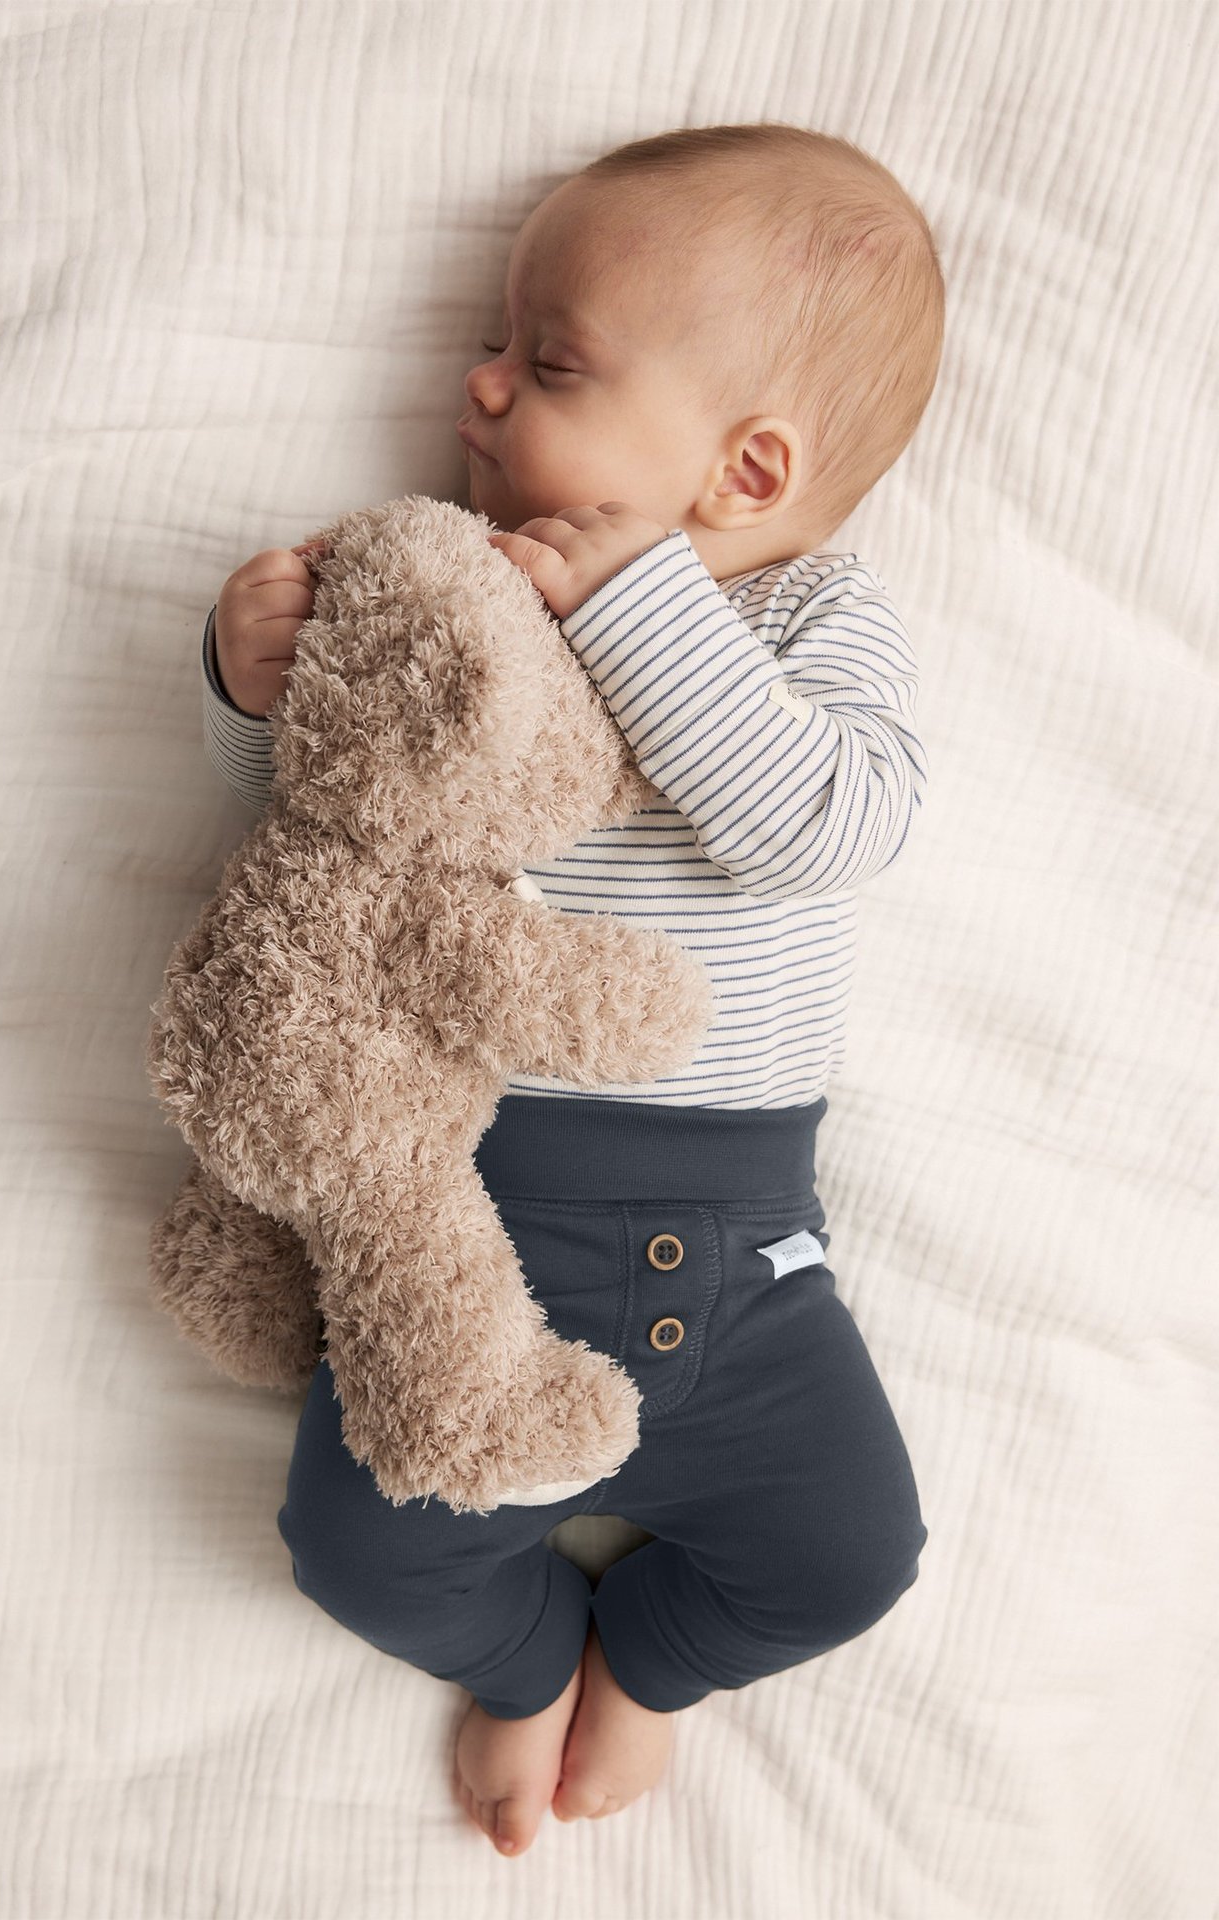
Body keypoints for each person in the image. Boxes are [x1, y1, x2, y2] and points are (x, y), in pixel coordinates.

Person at [197, 121, 944, 1860]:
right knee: (352, 1551)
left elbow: (831, 828)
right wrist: (253, 696)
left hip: (749, 1270)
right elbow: (341, 841)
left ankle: (658, 1664)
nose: (475, 385)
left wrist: (644, 608)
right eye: (493, 342)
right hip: (468, 1234)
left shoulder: (809, 623)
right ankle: (527, 1651)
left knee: (856, 1559)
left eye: (548, 362)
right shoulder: (473, 611)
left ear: (746, 473)